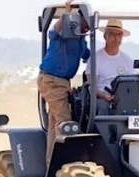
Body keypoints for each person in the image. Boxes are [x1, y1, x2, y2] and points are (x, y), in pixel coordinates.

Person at [37, 0, 90, 165]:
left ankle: (51, 166)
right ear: (78, 20)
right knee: (65, 124)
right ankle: (63, 166)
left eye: (90, 26)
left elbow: (88, 56)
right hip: (51, 80)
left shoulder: (81, 39)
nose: (87, 28)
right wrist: (67, 15)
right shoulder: (64, 32)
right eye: (86, 23)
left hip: (63, 83)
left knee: (55, 126)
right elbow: (53, 32)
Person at [85, 19, 139, 115]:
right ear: (105, 36)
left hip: (124, 97)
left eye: (119, 35)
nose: (116, 38)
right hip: (103, 97)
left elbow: (132, 83)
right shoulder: (95, 59)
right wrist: (105, 96)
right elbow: (92, 86)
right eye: (112, 35)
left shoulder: (127, 60)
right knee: (103, 107)